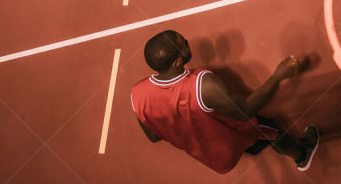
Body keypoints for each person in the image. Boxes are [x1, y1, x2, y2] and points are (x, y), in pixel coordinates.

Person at [131, 30, 320, 174]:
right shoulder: (203, 85)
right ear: (177, 62)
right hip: (230, 139)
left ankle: (252, 147)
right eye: (184, 44)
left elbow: (154, 136)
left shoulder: (138, 95)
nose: (188, 43)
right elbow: (245, 111)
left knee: (252, 144)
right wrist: (278, 76)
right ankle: (302, 155)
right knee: (273, 131)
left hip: (208, 153)